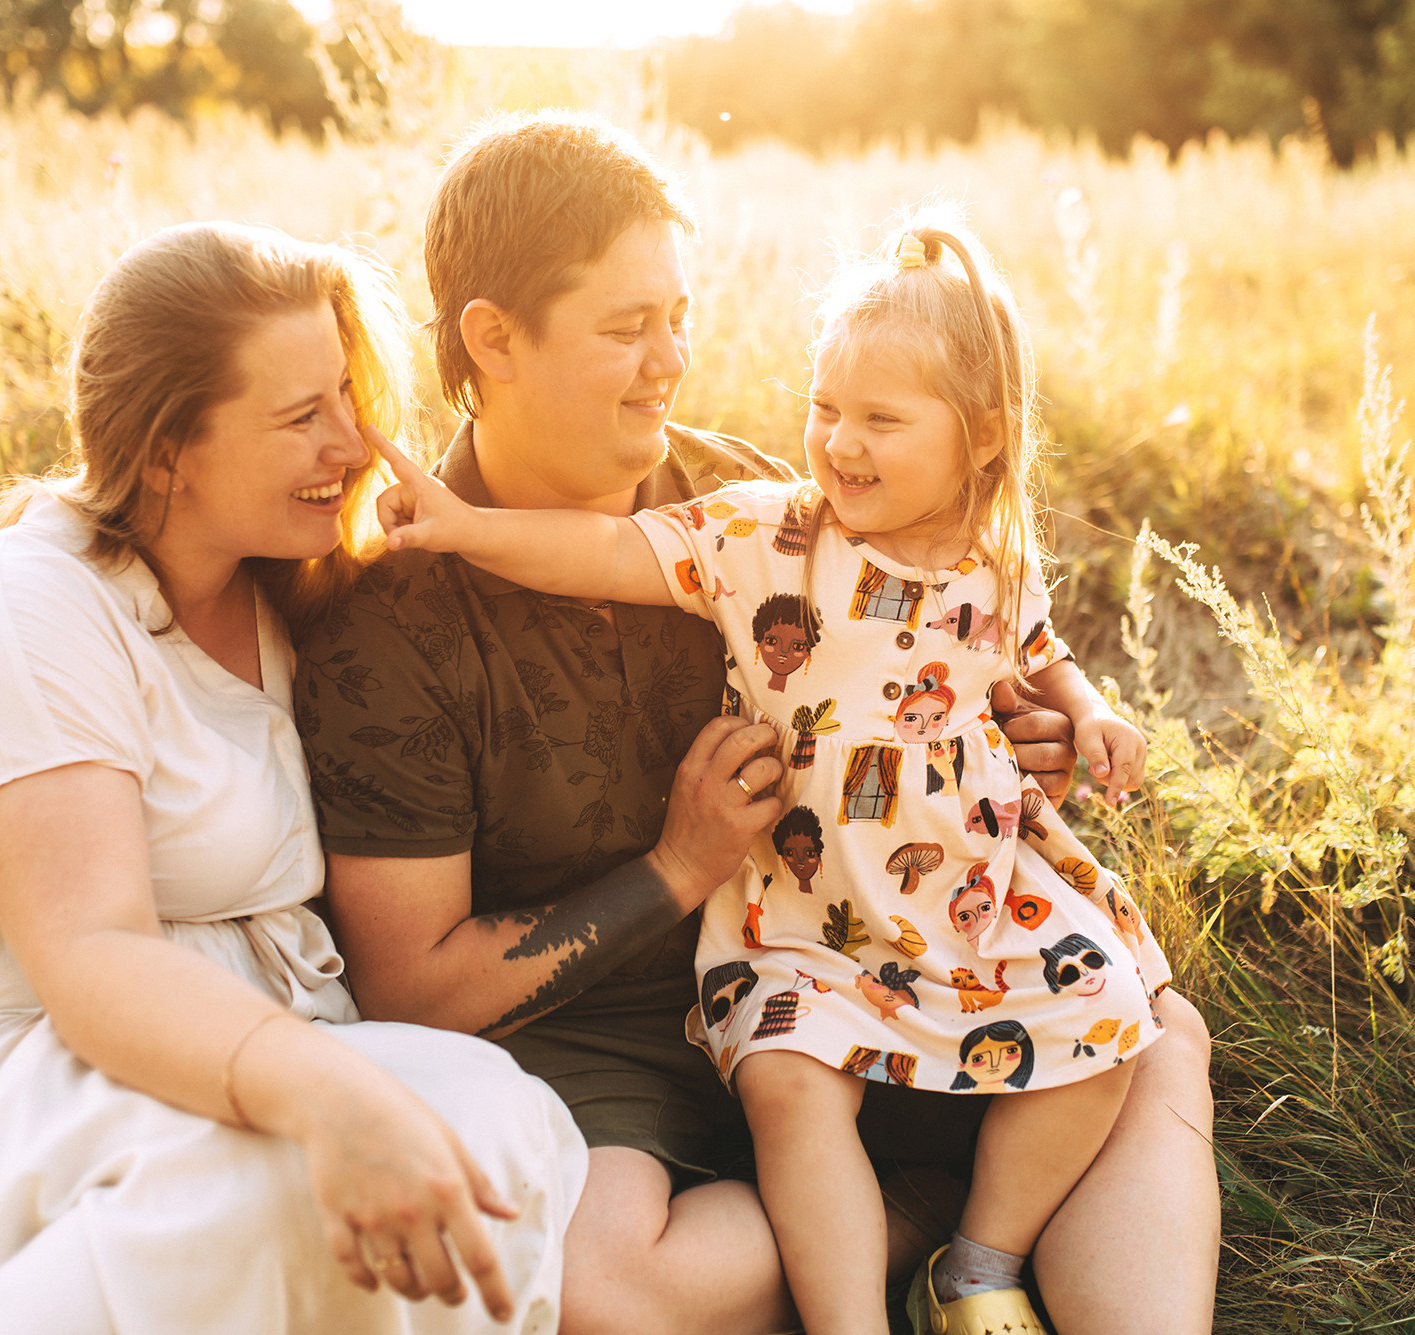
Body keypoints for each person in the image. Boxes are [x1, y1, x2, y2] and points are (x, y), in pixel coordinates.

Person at [297, 112, 1220, 1335]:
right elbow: (413, 993)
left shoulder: (765, 499)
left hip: (864, 942)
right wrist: (675, 869)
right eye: (627, 330)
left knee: (1147, 1033)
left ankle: (974, 1241)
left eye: (677, 317)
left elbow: (945, 662)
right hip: (609, 1033)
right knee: (600, 1287)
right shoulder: (396, 617)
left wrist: (1027, 740)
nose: (669, 360)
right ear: (493, 338)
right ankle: (928, 1212)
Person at [0, 221, 587, 1335]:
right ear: (163, 451)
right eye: (301, 417)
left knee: (494, 1120)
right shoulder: (23, 603)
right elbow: (91, 952)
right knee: (264, 1189)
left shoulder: (291, 596)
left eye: (346, 396)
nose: (351, 442)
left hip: (243, 1039)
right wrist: (327, 1094)